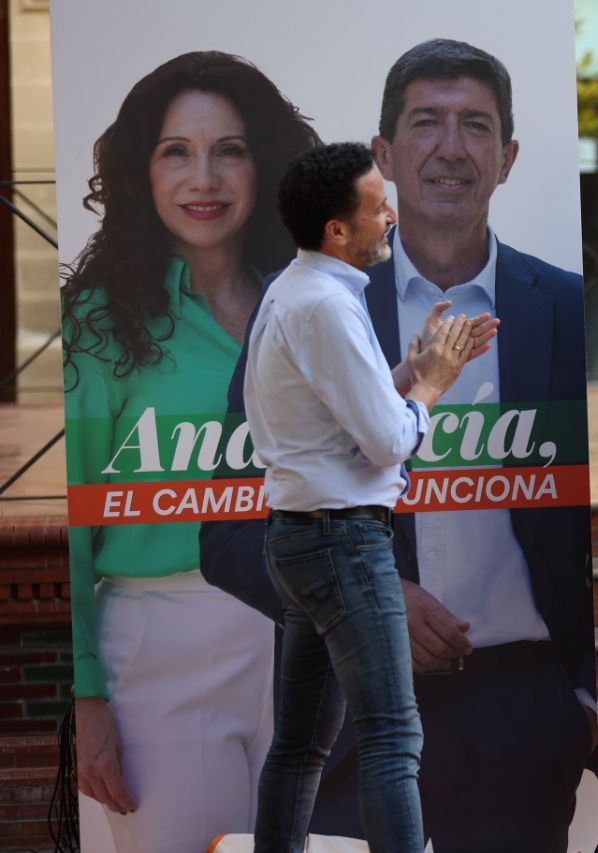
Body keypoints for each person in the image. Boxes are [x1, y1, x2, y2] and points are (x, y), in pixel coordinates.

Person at [200, 39, 595, 852]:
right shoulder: (307, 305)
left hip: (525, 716)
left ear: (508, 156)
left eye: (476, 127)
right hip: (353, 720)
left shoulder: (569, 310)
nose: (451, 148)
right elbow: (228, 529)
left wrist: (579, 701)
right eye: (426, 123)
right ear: (382, 155)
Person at [60, 51, 319, 852]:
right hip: (163, 643)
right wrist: (87, 696)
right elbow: (72, 518)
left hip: (308, 639)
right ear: (142, 171)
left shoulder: (306, 299)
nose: (203, 177)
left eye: (228, 150)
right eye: (177, 150)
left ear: (263, 162)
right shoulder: (99, 326)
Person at [247, 140, 484, 852]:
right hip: (340, 540)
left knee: (300, 744)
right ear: (336, 231)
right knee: (392, 736)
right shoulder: (324, 303)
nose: (392, 214)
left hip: (304, 536)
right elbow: (387, 439)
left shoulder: (298, 289)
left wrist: (416, 366)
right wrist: (435, 384)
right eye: (377, 205)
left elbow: (346, 412)